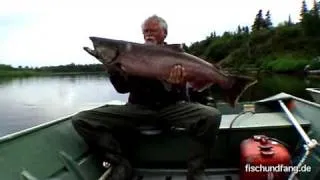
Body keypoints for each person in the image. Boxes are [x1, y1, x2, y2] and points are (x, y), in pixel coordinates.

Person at [72, 15, 222, 180]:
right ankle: (119, 162)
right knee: (82, 120)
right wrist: (112, 69)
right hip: (137, 109)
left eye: (153, 31)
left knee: (211, 116)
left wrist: (173, 83)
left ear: (164, 33)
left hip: (173, 108)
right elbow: (122, 89)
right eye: (145, 31)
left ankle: (196, 171)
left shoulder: (178, 55)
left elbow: (183, 92)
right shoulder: (132, 55)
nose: (148, 35)